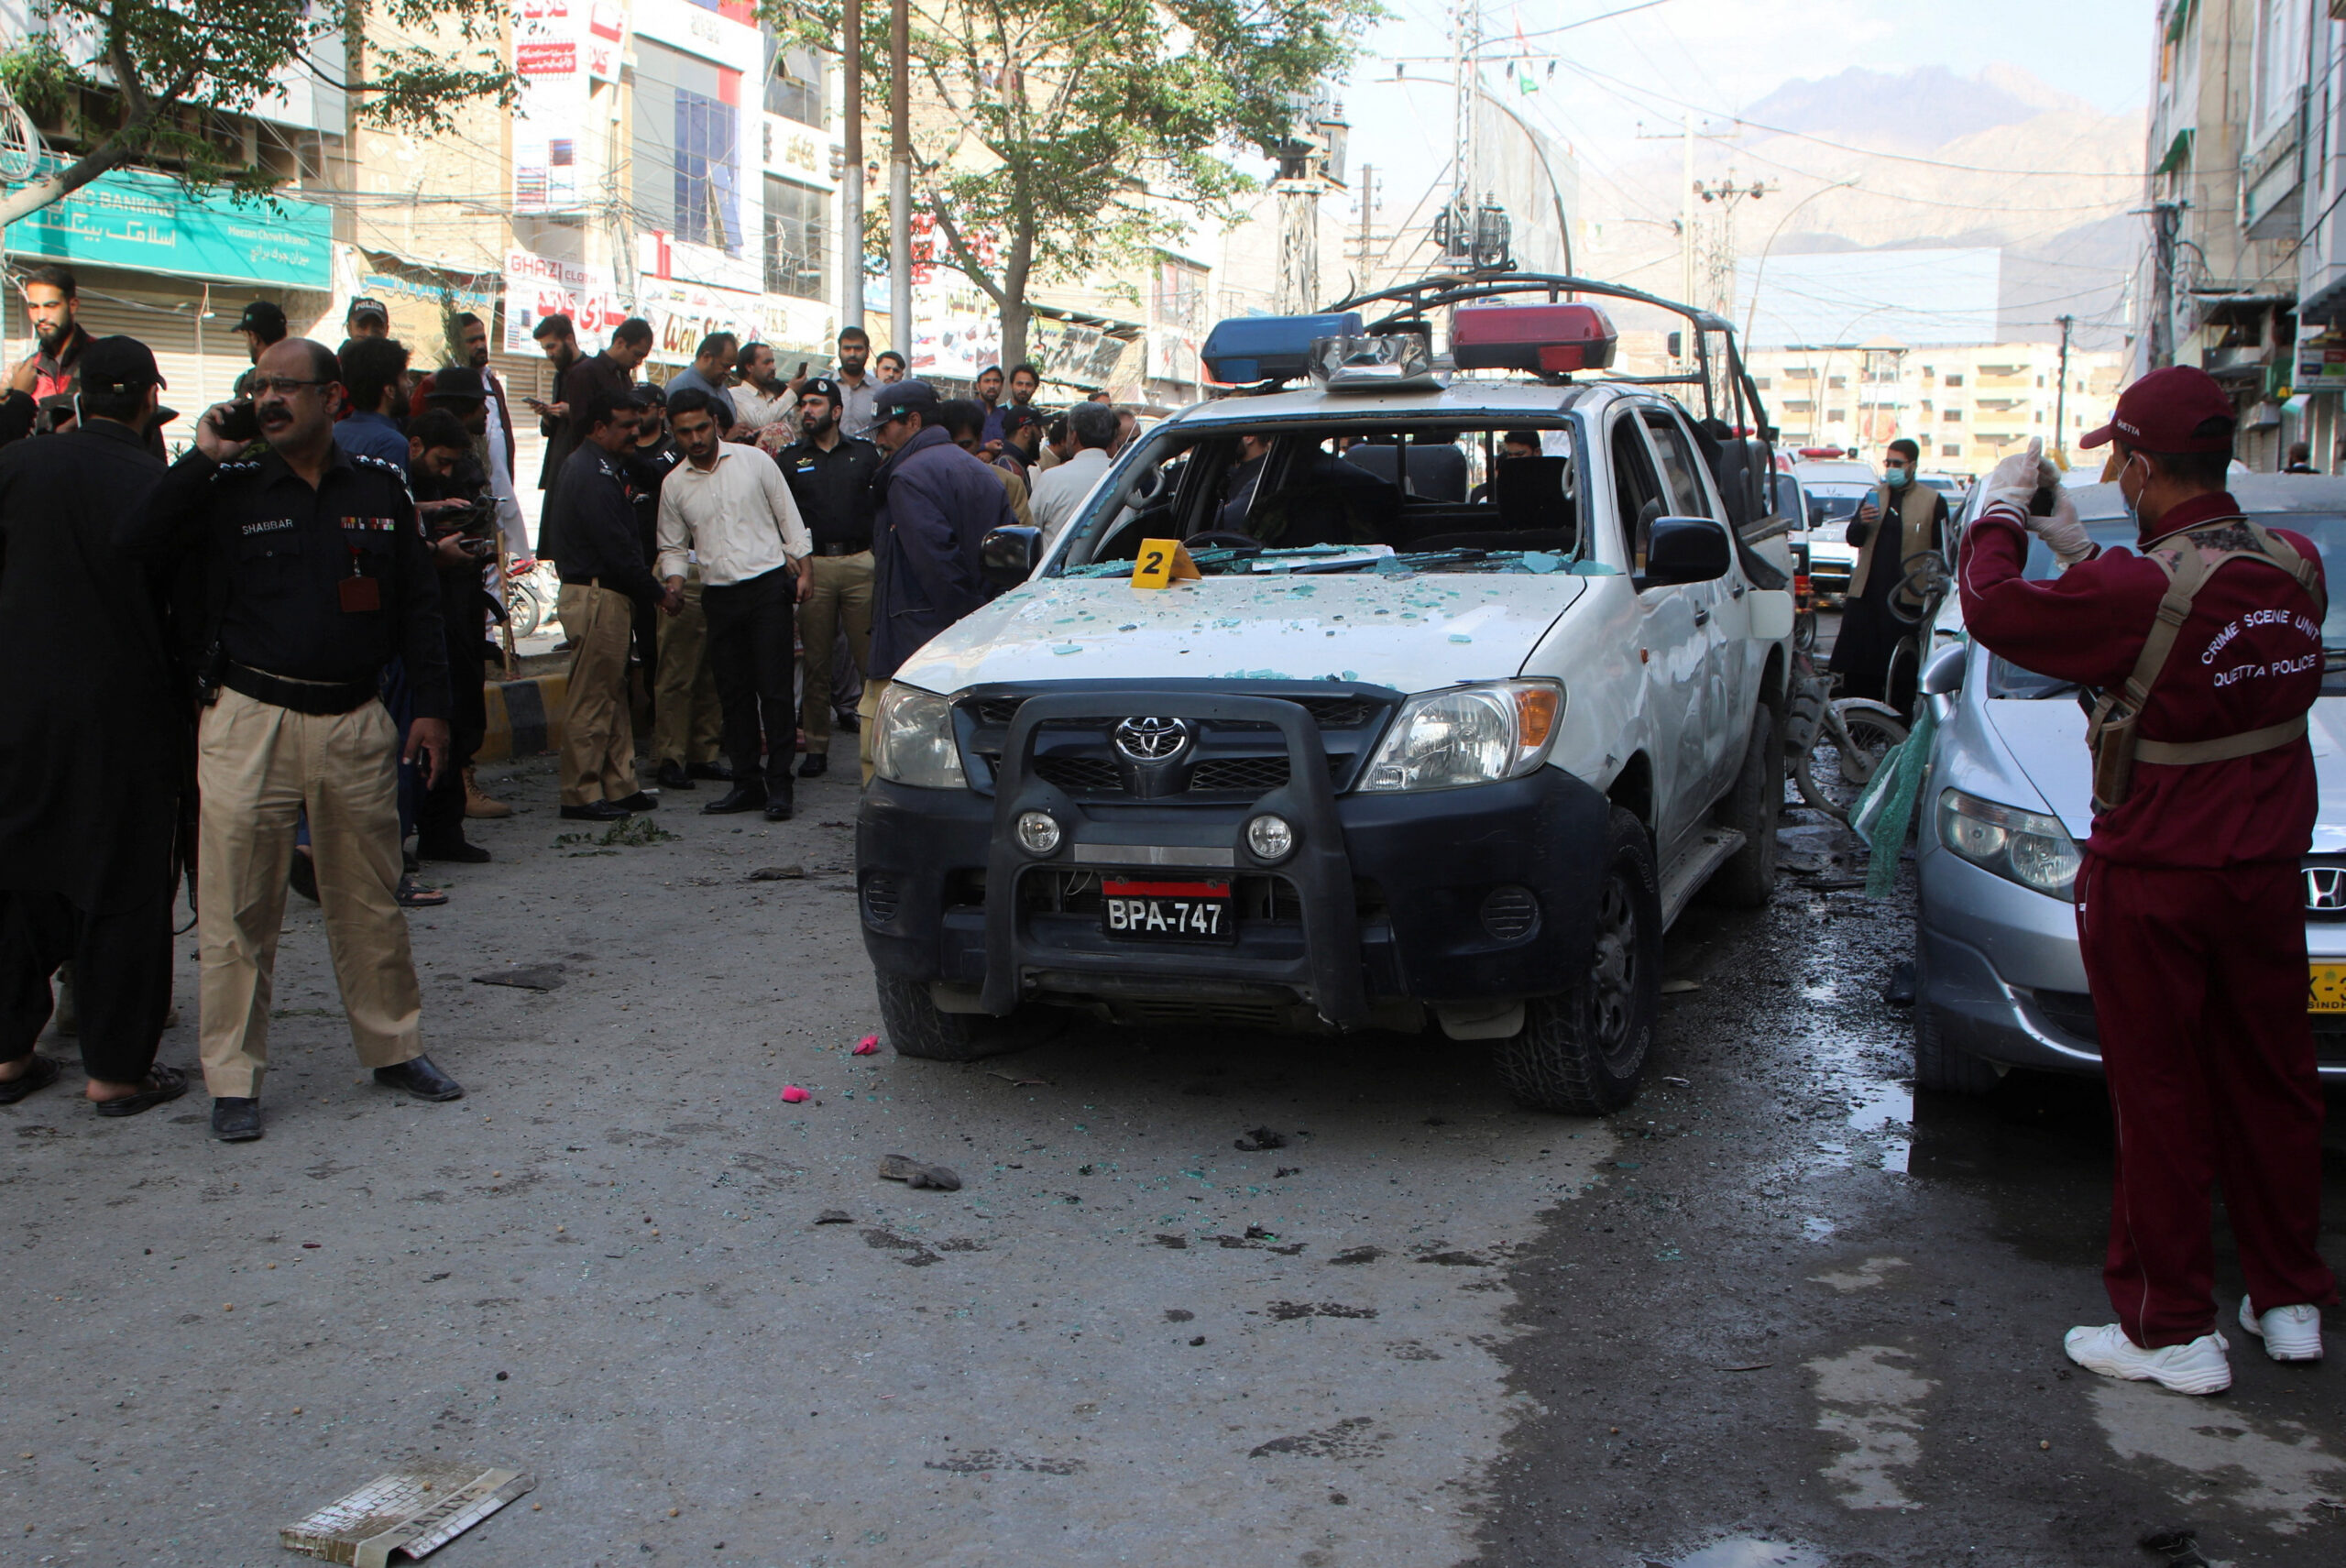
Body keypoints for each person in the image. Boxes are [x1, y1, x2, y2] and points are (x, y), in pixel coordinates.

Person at [1958, 370, 2337, 1395]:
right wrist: (2082, 549)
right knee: (2272, 1082)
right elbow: (2185, 614)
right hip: (2263, 872)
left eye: (2115, 458)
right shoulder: (2294, 564)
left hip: (2157, 875)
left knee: (2159, 1095)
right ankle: (2287, 1296)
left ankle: (2170, 1327)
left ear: (2135, 464)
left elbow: (1993, 609)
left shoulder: (2135, 589)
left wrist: (1999, 513)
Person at [120, 338, 464, 1143]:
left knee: (369, 895)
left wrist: (433, 707)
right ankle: (233, 1078)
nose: (269, 399)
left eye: (287, 388)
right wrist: (202, 457)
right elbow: (132, 545)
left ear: (334, 399)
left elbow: (418, 603)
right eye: (259, 386)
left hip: (352, 719)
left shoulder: (378, 487)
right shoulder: (226, 485)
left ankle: (392, 1047)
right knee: (238, 904)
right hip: (249, 718)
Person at [0, 337, 189, 1120]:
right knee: (124, 891)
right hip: (127, 725)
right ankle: (115, 1072)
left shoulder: (13, 467)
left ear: (75, 396)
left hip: (16, 714)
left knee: (14, 878)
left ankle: (9, 1054)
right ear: (150, 399)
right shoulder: (159, 484)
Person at [656, 388, 812, 820]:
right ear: (674, 432)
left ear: (717, 424)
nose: (696, 438)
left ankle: (781, 784)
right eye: (685, 431)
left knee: (775, 690)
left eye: (702, 427)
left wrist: (805, 569)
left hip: (766, 589)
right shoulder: (674, 485)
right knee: (734, 693)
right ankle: (747, 783)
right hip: (719, 595)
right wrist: (672, 583)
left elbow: (789, 517)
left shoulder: (754, 462)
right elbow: (671, 546)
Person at [861, 378, 1014, 782]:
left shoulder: (908, 476)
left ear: (912, 421)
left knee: (892, 763)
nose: (879, 438)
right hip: (974, 637)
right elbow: (1009, 559)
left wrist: (962, 628)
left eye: (884, 427)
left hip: (920, 642)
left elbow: (937, 564)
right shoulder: (981, 473)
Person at [544, 390, 663, 821]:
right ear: (597, 428)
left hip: (608, 593)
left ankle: (618, 783)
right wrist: (656, 593)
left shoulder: (607, 467)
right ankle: (579, 792)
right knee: (592, 697)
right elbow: (616, 547)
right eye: (625, 425)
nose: (635, 431)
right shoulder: (590, 472)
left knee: (612, 694)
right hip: (595, 592)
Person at [405, 409, 497, 866]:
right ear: (415, 445)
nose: (446, 473)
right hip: (423, 616)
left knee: (453, 715)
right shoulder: (393, 475)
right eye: (441, 462)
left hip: (454, 610)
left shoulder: (442, 489)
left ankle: (443, 829)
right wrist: (432, 551)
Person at [777, 378, 881, 781]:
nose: (807, 410)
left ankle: (878, 749)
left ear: (836, 412)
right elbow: (779, 515)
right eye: (804, 403)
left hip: (859, 563)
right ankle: (816, 748)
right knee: (817, 663)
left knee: (869, 664)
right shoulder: (790, 459)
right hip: (813, 566)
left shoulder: (865, 455)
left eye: (816, 403)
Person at [1829, 437, 1947, 705]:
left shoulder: (1932, 501)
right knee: (1860, 667)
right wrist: (1861, 521)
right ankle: (1859, 727)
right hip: (1867, 596)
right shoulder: (1875, 495)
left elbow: (1941, 551)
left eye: (1898, 463)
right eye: (1888, 462)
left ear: (1912, 465)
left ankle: (1895, 729)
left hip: (1905, 600)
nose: (1891, 468)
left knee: (1901, 670)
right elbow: (1854, 538)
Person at [1031, 400, 1117, 543]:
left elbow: (1030, 529)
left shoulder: (1051, 479)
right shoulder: (1127, 477)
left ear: (1073, 436)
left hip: (1061, 565)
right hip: (1120, 563)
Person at [942, 397, 1033, 525]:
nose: (958, 454)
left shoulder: (1009, 484)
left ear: (979, 439)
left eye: (965, 445)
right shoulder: (922, 482)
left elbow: (1021, 539)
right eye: (950, 446)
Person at [14, 266, 93, 404]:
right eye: (34, 307)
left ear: (73, 305)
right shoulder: (26, 371)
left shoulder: (102, 358)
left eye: (50, 306)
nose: (41, 316)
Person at [334, 336, 412, 467]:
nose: (410, 384)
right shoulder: (392, 444)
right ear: (390, 390)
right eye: (405, 377)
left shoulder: (335, 432)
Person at [527, 313, 580, 489]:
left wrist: (571, 411)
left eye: (552, 346)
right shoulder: (559, 376)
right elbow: (552, 430)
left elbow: (601, 420)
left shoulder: (591, 371)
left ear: (569, 339)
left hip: (578, 470)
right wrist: (547, 415)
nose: (549, 354)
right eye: (545, 349)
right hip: (557, 467)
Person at [665, 331, 741, 430]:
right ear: (706, 357)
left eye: (731, 367)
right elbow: (679, 436)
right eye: (725, 366)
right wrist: (725, 439)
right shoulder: (681, 386)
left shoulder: (720, 386)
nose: (728, 372)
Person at [732, 342, 800, 446]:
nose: (773, 367)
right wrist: (791, 391)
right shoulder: (737, 394)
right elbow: (762, 422)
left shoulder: (775, 395)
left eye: (773, 362)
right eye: (767, 363)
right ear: (749, 367)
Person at [1468, 430, 1542, 504]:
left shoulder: (1547, 485)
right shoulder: (1489, 491)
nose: (1513, 460)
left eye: (1519, 454)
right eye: (1510, 455)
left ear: (1537, 452)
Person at [232, 302, 288, 398]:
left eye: (246, 337)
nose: (246, 344)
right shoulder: (306, 373)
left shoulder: (249, 382)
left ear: (254, 337)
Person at [834, 326, 881, 438]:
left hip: (867, 454)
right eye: (847, 349)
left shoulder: (880, 390)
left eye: (858, 349)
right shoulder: (825, 386)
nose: (852, 354)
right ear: (839, 351)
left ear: (868, 352)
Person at [972, 365, 1006, 447]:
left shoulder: (1004, 416)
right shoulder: (967, 411)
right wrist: (985, 447)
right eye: (987, 381)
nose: (992, 386)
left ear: (1001, 386)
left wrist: (991, 453)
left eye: (996, 381)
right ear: (978, 386)